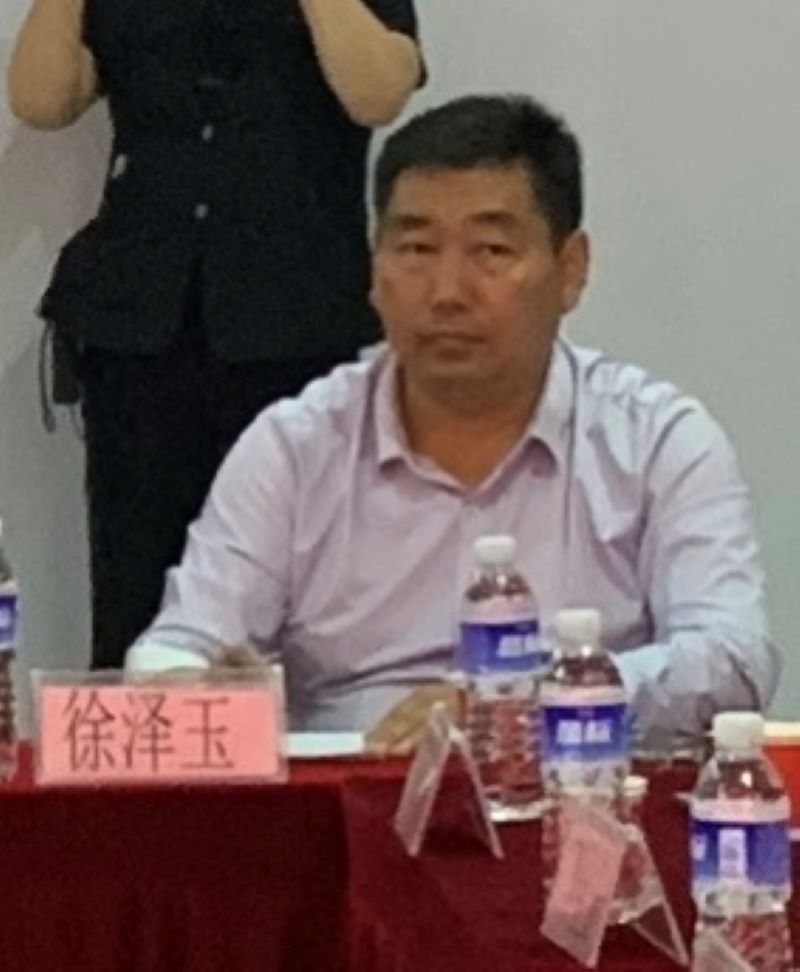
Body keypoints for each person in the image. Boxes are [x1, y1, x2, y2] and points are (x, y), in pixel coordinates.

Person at [125, 94, 781, 746]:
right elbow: (179, 643)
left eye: (490, 251)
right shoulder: (296, 446)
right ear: (374, 270)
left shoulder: (656, 441)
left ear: (571, 270)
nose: (446, 292)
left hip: (571, 783)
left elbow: (733, 656)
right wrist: (198, 688)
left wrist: (534, 699)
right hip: (351, 792)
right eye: (416, 249)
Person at [6, 0, 424, 670]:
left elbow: (377, 92)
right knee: (135, 593)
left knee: (298, 589)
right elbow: (42, 100)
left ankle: (289, 733)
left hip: (295, 316)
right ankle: (140, 734)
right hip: (144, 321)